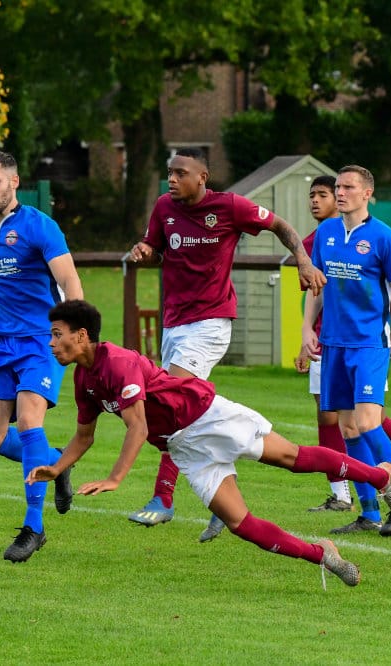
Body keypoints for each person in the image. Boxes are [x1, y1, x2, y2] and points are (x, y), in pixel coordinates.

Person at [28, 299, 391, 587]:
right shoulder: (84, 379)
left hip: (205, 416)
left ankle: (382, 479)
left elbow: (138, 427)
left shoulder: (117, 363)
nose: (51, 343)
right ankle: (323, 555)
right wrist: (57, 468)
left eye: (57, 334)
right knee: (240, 524)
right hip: (182, 446)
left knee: (290, 458)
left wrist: (115, 479)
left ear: (82, 335)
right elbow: (84, 436)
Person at [126, 147, 325, 543]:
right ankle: (222, 502)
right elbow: (156, 251)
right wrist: (145, 253)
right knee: (189, 412)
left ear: (203, 177)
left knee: (170, 404)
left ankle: (163, 498)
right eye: (170, 172)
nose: (172, 179)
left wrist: (303, 260)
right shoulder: (164, 208)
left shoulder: (230, 207)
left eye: (181, 173)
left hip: (210, 324)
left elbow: (280, 225)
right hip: (174, 325)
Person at [295, 176, 391, 527]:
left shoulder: (384, 237)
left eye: (348, 188)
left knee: (367, 423)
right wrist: (306, 330)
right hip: (333, 345)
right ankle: (369, 513)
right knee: (348, 430)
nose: (340, 193)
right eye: (338, 187)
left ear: (367, 193)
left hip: (369, 345)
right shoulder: (326, 233)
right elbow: (317, 287)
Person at [0, 151, 83, 563]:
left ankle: (34, 527)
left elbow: (69, 280)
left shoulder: (39, 226)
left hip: (40, 341)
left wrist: (74, 334)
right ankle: (57, 463)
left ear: (14, 183)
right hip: (2, 342)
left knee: (31, 421)